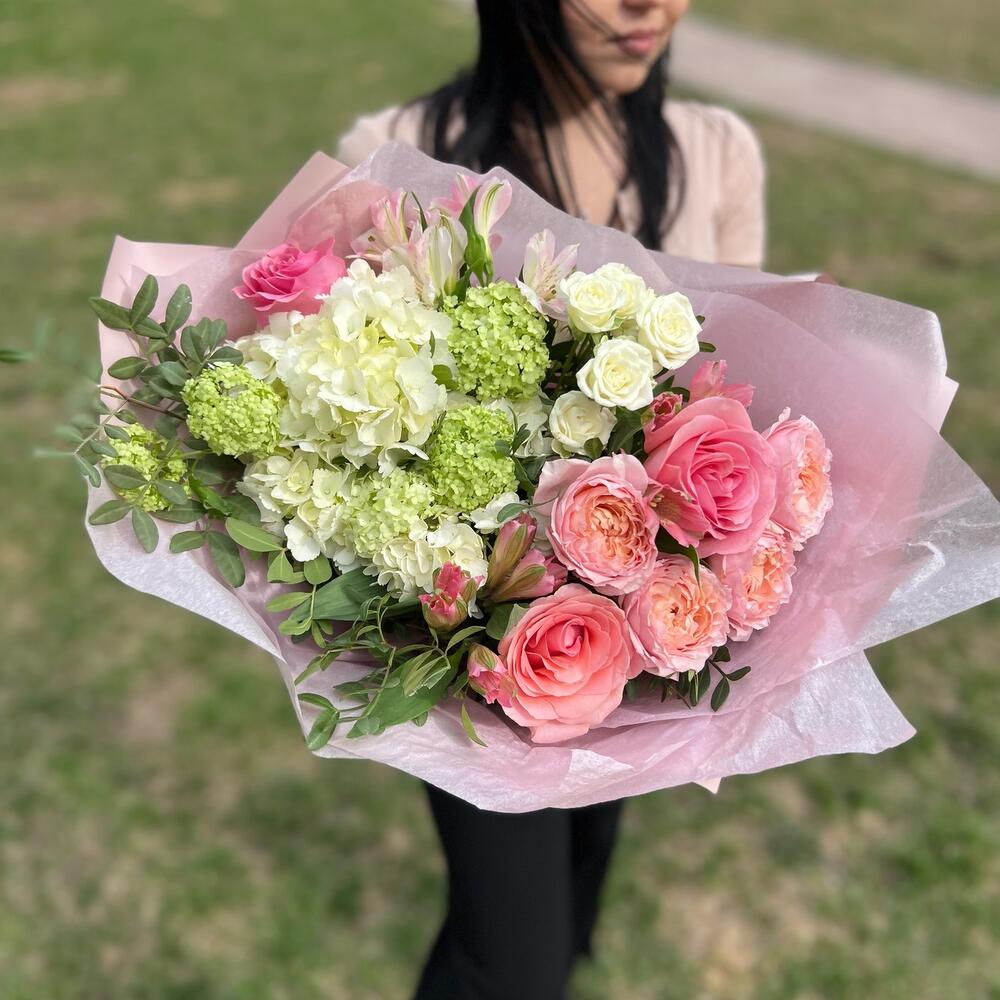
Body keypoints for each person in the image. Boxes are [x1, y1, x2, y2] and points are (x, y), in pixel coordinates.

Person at [334, 2, 766, 997]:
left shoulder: (714, 155)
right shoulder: (395, 156)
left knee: (573, 898)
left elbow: (739, 395)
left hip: (631, 650)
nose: (647, 6)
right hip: (466, 664)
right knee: (512, 963)